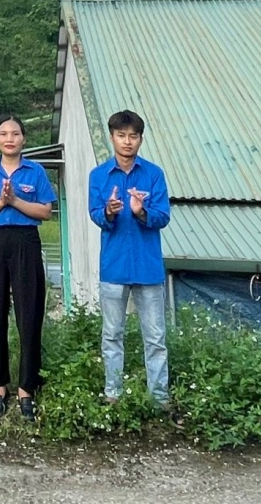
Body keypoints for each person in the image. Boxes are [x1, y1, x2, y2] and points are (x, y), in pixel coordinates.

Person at [0, 115, 56, 421]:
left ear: (23, 139)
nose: (9, 138)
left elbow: (45, 210)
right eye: (3, 133)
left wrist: (15, 200)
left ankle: (27, 388)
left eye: (15, 133)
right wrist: (1, 202)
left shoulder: (36, 171)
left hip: (26, 243)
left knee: (29, 316)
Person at [88, 109, 171, 407]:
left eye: (132, 136)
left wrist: (141, 212)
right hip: (114, 266)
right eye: (121, 136)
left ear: (140, 139)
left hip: (148, 267)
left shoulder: (154, 174)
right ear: (112, 138)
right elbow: (95, 214)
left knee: (155, 337)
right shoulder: (98, 175)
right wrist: (109, 212)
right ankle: (113, 394)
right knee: (112, 335)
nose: (127, 142)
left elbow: (163, 217)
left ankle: (159, 399)